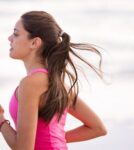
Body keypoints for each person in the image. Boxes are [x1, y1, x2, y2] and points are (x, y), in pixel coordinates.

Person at [0, 11, 107, 150]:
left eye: (16, 33)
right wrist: (56, 140)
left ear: (34, 42)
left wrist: (1, 121)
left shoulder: (30, 84)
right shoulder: (56, 83)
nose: (10, 38)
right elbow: (97, 128)